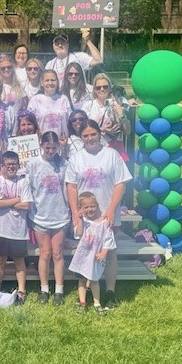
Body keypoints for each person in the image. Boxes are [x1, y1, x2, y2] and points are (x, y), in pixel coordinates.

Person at [65, 120, 132, 310]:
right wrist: (75, 214)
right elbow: (71, 186)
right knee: (87, 252)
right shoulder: (77, 158)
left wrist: (111, 209)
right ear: (81, 138)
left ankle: (109, 292)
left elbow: (121, 184)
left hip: (107, 213)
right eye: (85, 135)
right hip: (86, 216)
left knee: (109, 252)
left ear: (99, 134)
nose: (89, 138)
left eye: (93, 134)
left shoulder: (111, 155)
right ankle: (86, 293)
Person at [26, 131, 70, 306]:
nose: (51, 151)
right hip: (40, 215)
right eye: (47, 148)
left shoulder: (64, 164)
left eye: (54, 148)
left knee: (58, 253)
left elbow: (69, 188)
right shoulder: (34, 164)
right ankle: (44, 289)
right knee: (44, 253)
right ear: (41, 146)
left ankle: (59, 289)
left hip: (60, 215)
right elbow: (28, 187)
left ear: (58, 147)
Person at [0, 151, 31, 305]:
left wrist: (6, 201)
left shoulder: (23, 182)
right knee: (0, 260)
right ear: (3, 166)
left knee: (20, 261)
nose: (11, 167)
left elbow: (26, 205)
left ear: (18, 165)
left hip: (18, 230)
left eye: (14, 164)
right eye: (8, 165)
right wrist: (16, 200)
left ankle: (21, 291)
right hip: (0, 229)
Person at [69, 192, 117, 315]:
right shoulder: (84, 222)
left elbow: (109, 239)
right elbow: (79, 233)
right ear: (81, 209)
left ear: (97, 206)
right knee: (82, 280)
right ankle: (82, 303)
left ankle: (97, 303)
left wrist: (104, 252)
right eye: (86, 207)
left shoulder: (104, 223)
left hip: (95, 257)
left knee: (94, 280)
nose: (90, 209)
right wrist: (79, 219)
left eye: (92, 206)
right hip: (83, 257)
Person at [85, 73, 130, 158]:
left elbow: (128, 131)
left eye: (105, 87)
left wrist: (122, 115)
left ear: (110, 88)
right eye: (98, 87)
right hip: (94, 149)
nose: (102, 89)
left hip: (115, 149)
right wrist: (103, 130)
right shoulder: (88, 106)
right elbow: (83, 130)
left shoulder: (117, 104)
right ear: (94, 89)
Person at [27, 69, 71, 140]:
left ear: (57, 82)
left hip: (62, 142)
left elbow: (70, 121)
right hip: (42, 143)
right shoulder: (35, 100)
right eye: (47, 80)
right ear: (42, 83)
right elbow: (29, 122)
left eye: (53, 80)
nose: (50, 83)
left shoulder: (64, 99)